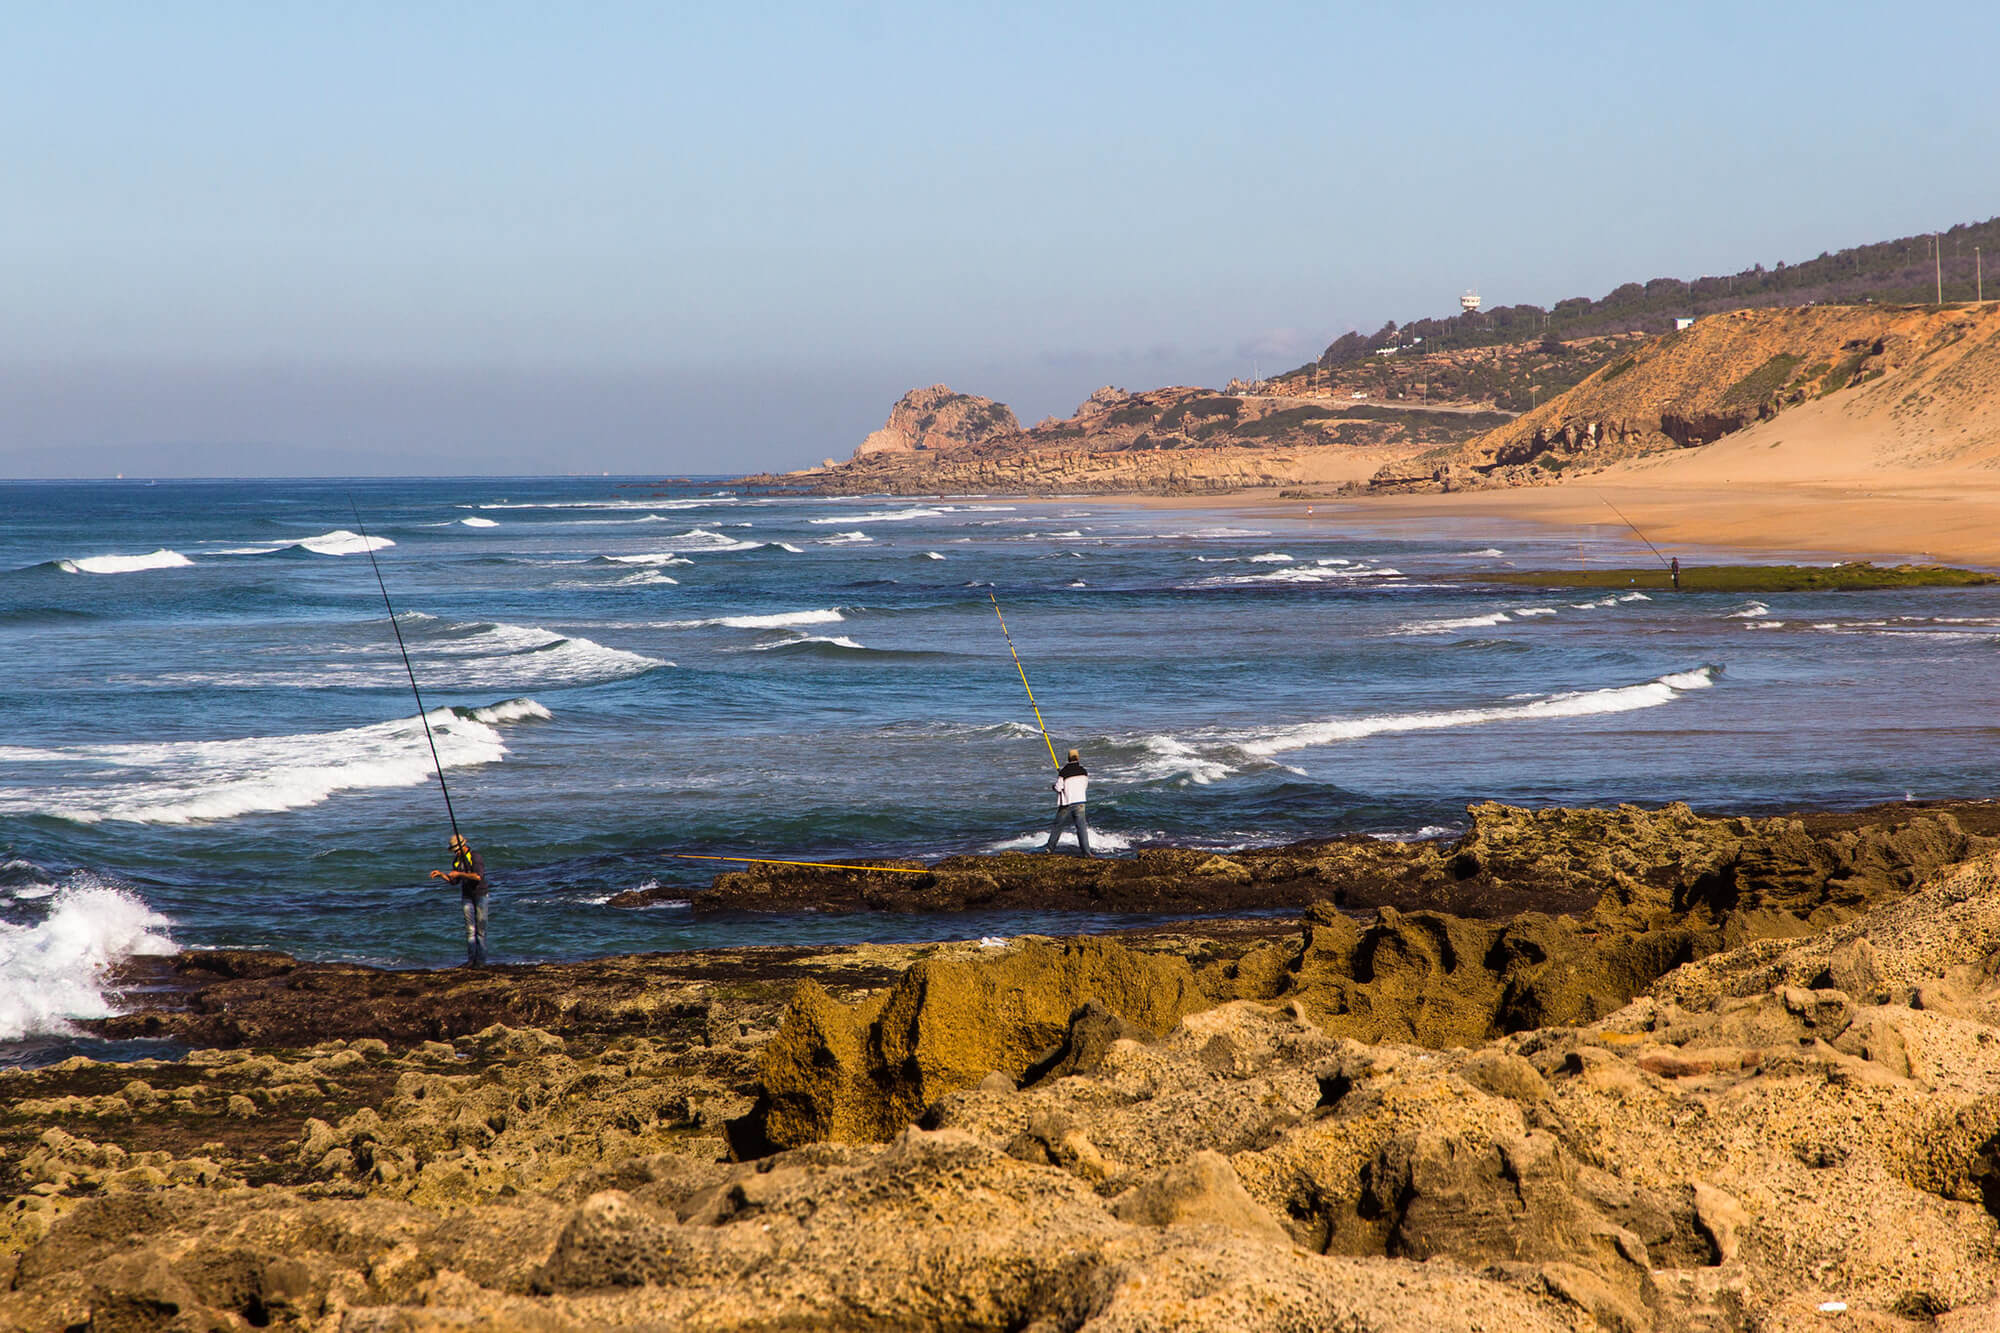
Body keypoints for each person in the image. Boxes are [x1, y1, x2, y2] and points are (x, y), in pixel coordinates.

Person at [431, 833, 488, 965]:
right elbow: (454, 881)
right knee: (470, 930)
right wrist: (441, 875)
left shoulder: (475, 856)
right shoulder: (457, 861)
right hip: (467, 896)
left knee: (481, 931)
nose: (455, 853)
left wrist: (460, 873)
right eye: (454, 851)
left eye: (457, 850)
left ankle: (481, 961)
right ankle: (471, 960)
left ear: (463, 846)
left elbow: (478, 876)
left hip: (480, 895)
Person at [1044, 749, 1092, 857]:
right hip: (1080, 802)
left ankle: (1049, 849)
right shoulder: (1084, 771)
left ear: (1068, 758)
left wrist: (1053, 786)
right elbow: (1084, 785)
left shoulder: (1064, 772)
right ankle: (1086, 852)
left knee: (1058, 826)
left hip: (1067, 803)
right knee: (1081, 828)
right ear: (1078, 758)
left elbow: (1059, 788)